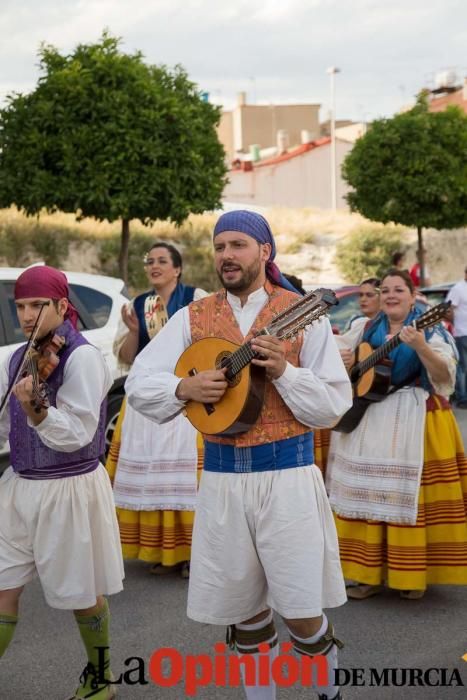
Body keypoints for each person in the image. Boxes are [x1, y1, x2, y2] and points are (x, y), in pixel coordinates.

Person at [125, 210, 352, 700]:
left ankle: (327, 693)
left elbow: (335, 401)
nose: (227, 255)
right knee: (244, 613)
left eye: (238, 245)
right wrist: (186, 385)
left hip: (287, 477)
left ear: (264, 251)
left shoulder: (300, 312)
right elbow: (141, 381)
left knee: (301, 610)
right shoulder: (195, 315)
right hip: (223, 482)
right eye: (220, 246)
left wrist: (286, 374)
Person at [0, 265, 124, 700]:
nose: (28, 315)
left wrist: (39, 411)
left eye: (37, 305)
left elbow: (76, 433)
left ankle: (100, 679)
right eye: (21, 306)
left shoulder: (83, 357)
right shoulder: (17, 357)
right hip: (19, 486)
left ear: (61, 305)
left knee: (82, 594)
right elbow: (5, 426)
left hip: (68, 488)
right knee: (1, 586)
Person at [327, 269, 467, 600]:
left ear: (412, 294)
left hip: (413, 416)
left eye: (398, 290)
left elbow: (445, 373)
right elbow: (332, 351)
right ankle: (367, 575)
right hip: (367, 418)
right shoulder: (363, 327)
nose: (390, 295)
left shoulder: (430, 328)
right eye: (384, 290)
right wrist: (343, 358)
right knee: (367, 494)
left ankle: (411, 574)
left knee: (408, 496)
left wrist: (421, 348)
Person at [106, 242, 207, 579]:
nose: (155, 266)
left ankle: (195, 551)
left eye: (162, 261)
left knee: (185, 480)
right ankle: (165, 552)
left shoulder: (196, 299)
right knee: (154, 478)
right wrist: (135, 332)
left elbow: (208, 342)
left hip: (184, 394)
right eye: (150, 261)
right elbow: (127, 357)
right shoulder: (138, 305)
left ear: (177, 269)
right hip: (150, 400)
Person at [315, 278, 381, 478]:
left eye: (369, 295)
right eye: (361, 294)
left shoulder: (382, 325)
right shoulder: (361, 324)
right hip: (364, 398)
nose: (363, 299)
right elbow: (342, 344)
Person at [446, 266, 467, 408]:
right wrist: (455, 323)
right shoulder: (458, 288)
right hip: (461, 333)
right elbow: (448, 309)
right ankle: (462, 398)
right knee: (461, 367)